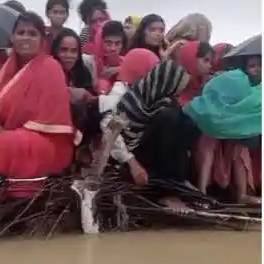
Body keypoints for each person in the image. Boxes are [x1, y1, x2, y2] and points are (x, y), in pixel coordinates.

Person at [0, 11, 79, 193]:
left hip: (44, 140)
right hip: (8, 131)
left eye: (32, 33)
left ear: (42, 40)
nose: (25, 38)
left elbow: (51, 120)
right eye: (21, 32)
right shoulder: (8, 67)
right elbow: (0, 108)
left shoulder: (51, 67)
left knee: (12, 141)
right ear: (13, 37)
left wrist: (6, 132)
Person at [114, 59, 201, 213]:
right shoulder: (132, 99)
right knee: (169, 119)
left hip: (155, 158)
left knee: (184, 120)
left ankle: (179, 183)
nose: (177, 94)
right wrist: (132, 162)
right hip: (134, 161)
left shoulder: (166, 102)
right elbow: (111, 134)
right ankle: (167, 193)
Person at [185, 69, 261, 204]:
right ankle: (202, 192)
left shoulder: (248, 93)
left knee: (239, 148)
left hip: (228, 125)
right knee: (207, 143)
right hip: (208, 129)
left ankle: (242, 194)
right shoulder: (206, 100)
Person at [98, 49, 161, 185]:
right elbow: (109, 128)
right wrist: (132, 163)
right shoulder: (119, 94)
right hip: (119, 158)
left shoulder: (147, 93)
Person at [87, 20, 128, 94]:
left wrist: (119, 69)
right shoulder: (90, 62)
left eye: (117, 43)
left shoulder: (127, 62)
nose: (113, 48)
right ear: (101, 42)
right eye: (108, 43)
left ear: (122, 44)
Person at [170, 41, 214, 105]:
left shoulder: (204, 85)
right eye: (206, 60)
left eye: (211, 62)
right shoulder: (171, 85)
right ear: (191, 58)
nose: (209, 65)